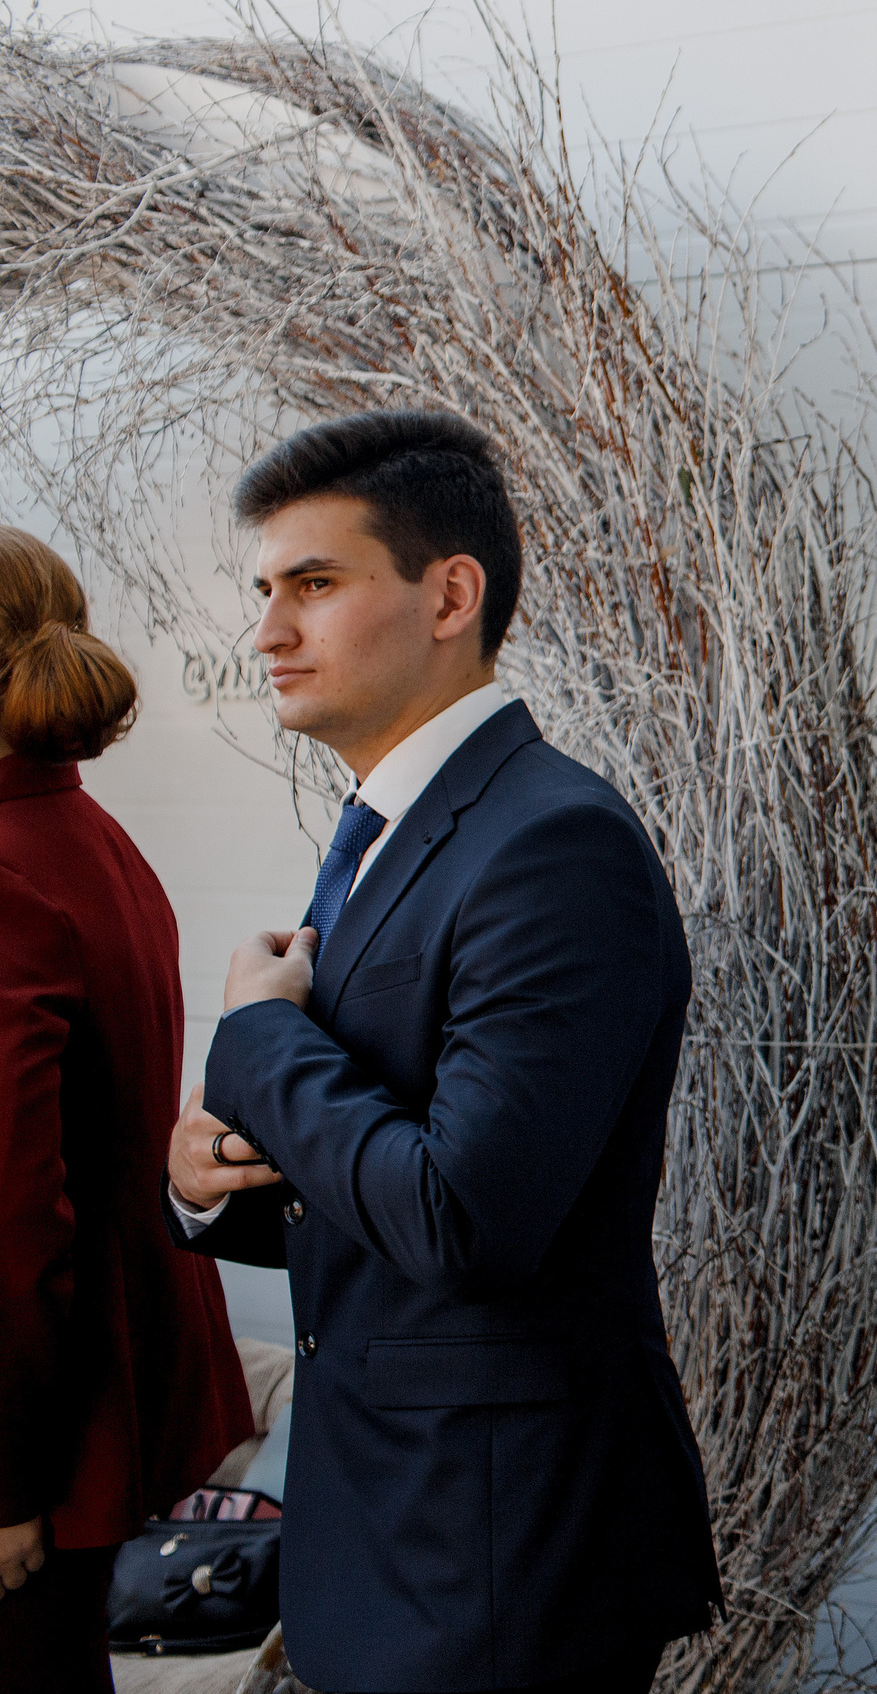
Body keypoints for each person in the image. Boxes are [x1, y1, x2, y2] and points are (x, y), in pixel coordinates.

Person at [162, 411, 720, 1694]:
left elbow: (467, 1214)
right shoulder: (383, 831)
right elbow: (373, 1168)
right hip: (396, 1532)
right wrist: (210, 1186)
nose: (268, 632)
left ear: (450, 594)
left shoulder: (551, 844)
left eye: (315, 585)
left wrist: (256, 1038)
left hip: (497, 1556)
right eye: (266, 591)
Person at [0, 529, 254, 1692]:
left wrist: (7, 1484)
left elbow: (14, 1224)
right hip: (99, 1405)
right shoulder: (86, 837)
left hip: (44, 1446)